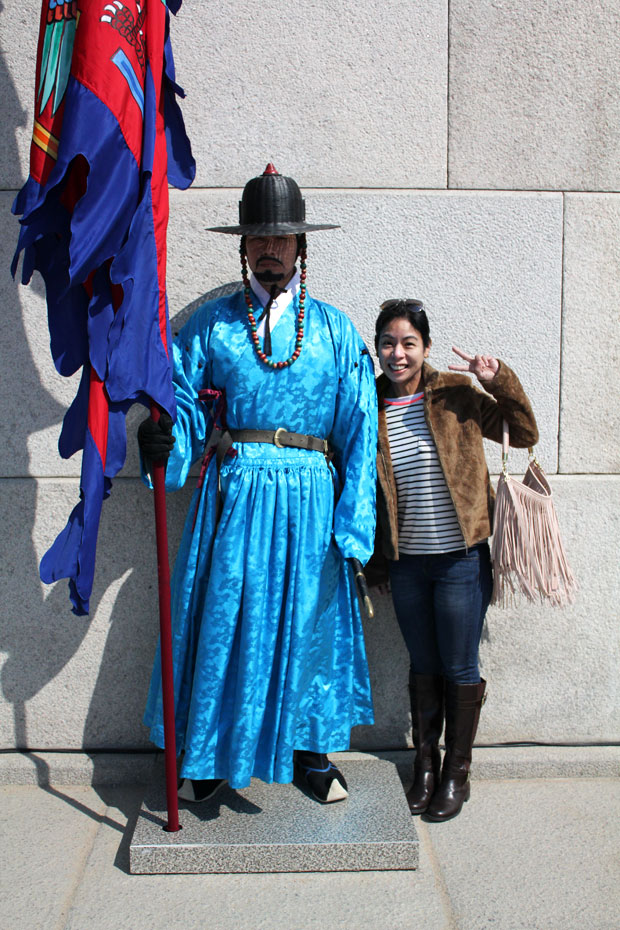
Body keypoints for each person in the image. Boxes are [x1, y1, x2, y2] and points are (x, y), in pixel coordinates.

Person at [138, 165, 377, 805]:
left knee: (311, 624)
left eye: (282, 240)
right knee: (228, 618)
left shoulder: (336, 329)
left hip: (311, 498)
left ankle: (309, 754)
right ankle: (213, 755)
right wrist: (165, 442)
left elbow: (360, 427)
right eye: (258, 240)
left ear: (303, 247)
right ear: (242, 247)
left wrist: (354, 524)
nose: (270, 251)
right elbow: (182, 402)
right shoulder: (211, 327)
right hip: (236, 495)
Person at [369, 299, 538, 821]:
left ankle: (456, 774)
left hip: (461, 560)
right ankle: (424, 766)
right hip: (406, 562)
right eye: (388, 343)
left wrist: (499, 380)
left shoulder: (456, 395)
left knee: (460, 665)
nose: (397, 354)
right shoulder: (366, 400)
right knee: (422, 664)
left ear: (426, 347)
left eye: (408, 343)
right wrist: (376, 559)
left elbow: (525, 432)